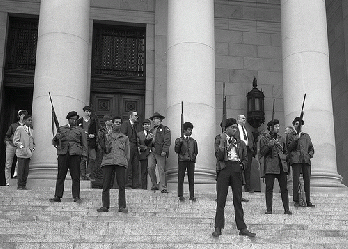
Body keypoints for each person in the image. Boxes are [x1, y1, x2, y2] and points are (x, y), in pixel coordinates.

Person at [212, 118, 255, 238]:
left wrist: (241, 165)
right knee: (221, 200)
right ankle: (218, 227)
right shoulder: (219, 139)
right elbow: (219, 156)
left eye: (236, 127)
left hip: (236, 168)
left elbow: (246, 159)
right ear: (227, 128)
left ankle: (242, 227)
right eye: (232, 127)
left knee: (238, 200)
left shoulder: (240, 143)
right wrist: (222, 143)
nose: (235, 130)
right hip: (224, 168)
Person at [49, 111, 87, 204]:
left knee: (76, 176)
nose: (74, 121)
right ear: (68, 119)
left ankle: (76, 196)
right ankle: (57, 196)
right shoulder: (61, 129)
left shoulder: (80, 130)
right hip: (63, 153)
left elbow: (84, 143)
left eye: (75, 119)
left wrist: (84, 155)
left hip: (75, 154)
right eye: (72, 119)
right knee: (61, 176)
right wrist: (56, 138)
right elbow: (54, 142)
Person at [97, 116, 130, 213]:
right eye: (116, 122)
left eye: (119, 123)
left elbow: (127, 152)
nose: (117, 124)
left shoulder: (125, 138)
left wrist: (125, 162)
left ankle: (122, 206)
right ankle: (105, 206)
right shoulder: (106, 136)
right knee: (106, 185)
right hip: (108, 161)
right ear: (112, 123)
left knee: (121, 186)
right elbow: (100, 147)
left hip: (120, 162)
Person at [259, 119, 292, 215]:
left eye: (278, 126)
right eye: (276, 126)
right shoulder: (264, 138)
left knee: (284, 188)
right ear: (270, 128)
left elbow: (286, 151)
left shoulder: (281, 138)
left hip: (281, 165)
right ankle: (269, 209)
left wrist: (285, 157)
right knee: (269, 188)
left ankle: (286, 209)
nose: (278, 128)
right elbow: (262, 152)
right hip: (270, 166)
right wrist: (269, 145)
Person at [287, 117, 315, 208]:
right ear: (294, 125)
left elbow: (311, 148)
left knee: (307, 180)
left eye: (299, 124)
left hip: (305, 160)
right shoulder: (291, 135)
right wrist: (296, 139)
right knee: (295, 180)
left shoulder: (306, 136)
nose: (298, 126)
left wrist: (309, 155)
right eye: (296, 124)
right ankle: (296, 200)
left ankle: (308, 200)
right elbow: (289, 148)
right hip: (296, 160)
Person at [145, 112, 171, 193]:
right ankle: (155, 184)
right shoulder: (151, 130)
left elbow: (167, 141)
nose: (154, 121)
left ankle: (163, 187)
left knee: (161, 169)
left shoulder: (165, 129)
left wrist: (164, 150)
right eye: (153, 119)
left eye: (155, 119)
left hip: (160, 151)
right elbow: (146, 142)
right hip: (151, 151)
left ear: (159, 120)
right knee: (150, 168)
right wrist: (148, 139)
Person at [174, 122, 198, 202]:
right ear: (184, 130)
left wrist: (193, 157)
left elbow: (196, 151)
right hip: (182, 160)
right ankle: (180, 195)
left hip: (190, 161)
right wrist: (179, 143)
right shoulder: (179, 140)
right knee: (181, 178)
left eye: (191, 130)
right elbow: (176, 150)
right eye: (189, 130)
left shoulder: (193, 141)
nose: (190, 131)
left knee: (191, 179)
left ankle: (192, 195)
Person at [4, 110, 28, 186]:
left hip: (20, 147)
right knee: (8, 164)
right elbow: (7, 135)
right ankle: (7, 182)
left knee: (19, 163)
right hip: (11, 145)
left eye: (25, 114)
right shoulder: (13, 125)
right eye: (22, 114)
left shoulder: (27, 127)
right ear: (19, 116)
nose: (24, 116)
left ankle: (15, 177)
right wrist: (8, 143)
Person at [12, 114, 34, 190]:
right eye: (29, 120)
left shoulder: (31, 130)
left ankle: (24, 184)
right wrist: (21, 146)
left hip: (28, 153)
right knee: (21, 169)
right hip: (21, 153)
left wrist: (32, 149)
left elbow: (32, 141)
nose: (30, 122)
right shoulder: (20, 128)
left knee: (26, 170)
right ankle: (20, 185)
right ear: (24, 121)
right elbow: (15, 140)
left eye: (31, 120)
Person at [77, 106, 99, 180]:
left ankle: (88, 173)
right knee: (83, 159)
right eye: (87, 111)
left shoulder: (93, 121)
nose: (88, 113)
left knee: (93, 157)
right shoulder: (79, 121)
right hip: (82, 142)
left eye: (89, 111)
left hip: (91, 142)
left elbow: (96, 132)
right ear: (84, 112)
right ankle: (82, 175)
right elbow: (76, 132)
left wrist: (93, 135)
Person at [121, 111, 140, 189]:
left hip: (135, 147)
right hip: (129, 146)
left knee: (135, 166)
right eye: (135, 116)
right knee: (127, 165)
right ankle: (126, 184)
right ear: (130, 116)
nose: (136, 117)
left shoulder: (134, 126)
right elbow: (123, 135)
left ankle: (135, 184)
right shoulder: (126, 124)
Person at [237, 115, 255, 193]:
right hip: (239, 149)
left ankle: (248, 187)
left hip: (248, 150)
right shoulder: (236, 129)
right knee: (239, 167)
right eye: (242, 118)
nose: (244, 119)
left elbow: (251, 139)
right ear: (238, 120)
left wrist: (252, 148)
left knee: (248, 169)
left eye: (245, 118)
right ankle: (239, 187)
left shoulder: (247, 129)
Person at [137, 119, 151, 189]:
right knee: (143, 172)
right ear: (143, 126)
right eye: (145, 124)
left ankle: (154, 186)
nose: (147, 126)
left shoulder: (152, 133)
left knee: (152, 171)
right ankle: (143, 187)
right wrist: (144, 147)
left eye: (148, 124)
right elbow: (137, 144)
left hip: (152, 155)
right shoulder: (139, 134)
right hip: (143, 155)